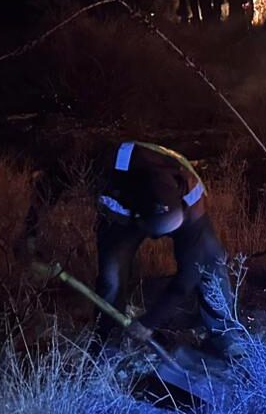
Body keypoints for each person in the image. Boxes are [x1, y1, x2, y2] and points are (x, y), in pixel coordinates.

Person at [91, 140, 241, 358]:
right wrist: (32, 234)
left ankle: (225, 335)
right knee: (110, 278)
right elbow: (51, 180)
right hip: (122, 217)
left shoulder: (190, 193)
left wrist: (150, 321)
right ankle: (107, 340)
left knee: (210, 261)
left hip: (181, 214)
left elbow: (189, 274)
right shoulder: (107, 172)